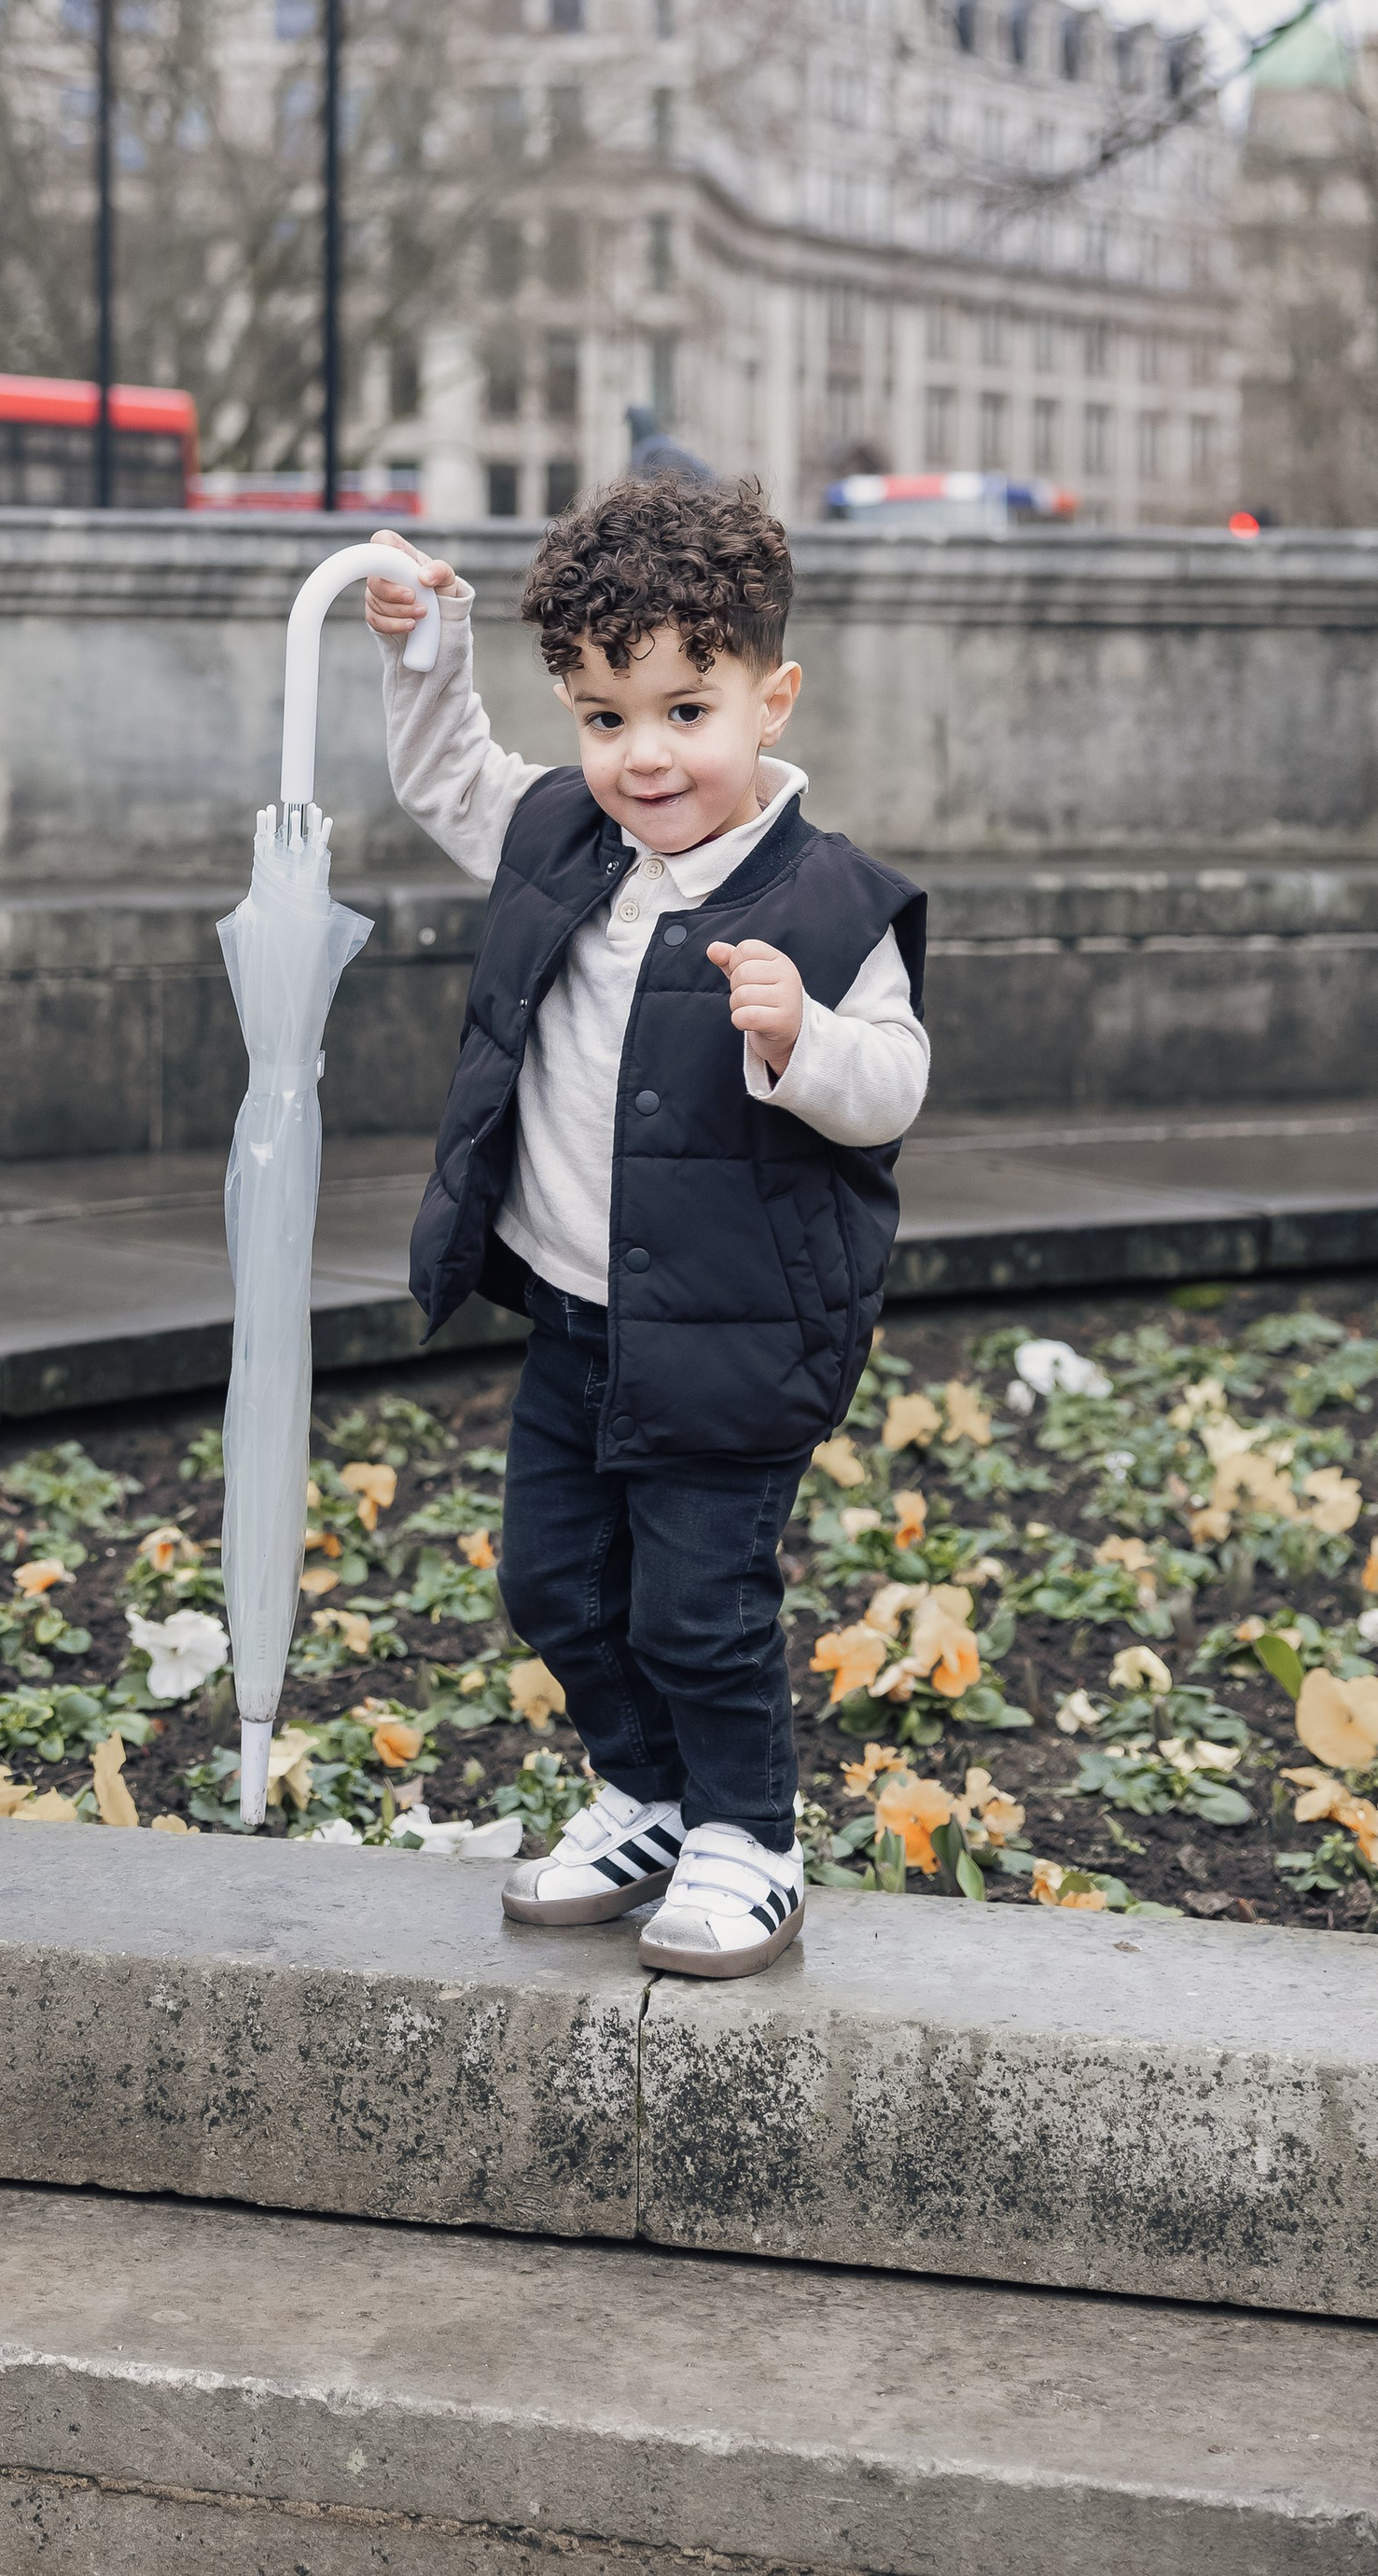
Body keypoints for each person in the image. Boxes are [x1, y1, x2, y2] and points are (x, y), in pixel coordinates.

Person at [365, 475, 926, 1974]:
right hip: (577, 1311)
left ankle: (750, 1832)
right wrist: (427, 656)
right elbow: (448, 783)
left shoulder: (827, 901)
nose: (645, 755)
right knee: (550, 1577)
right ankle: (646, 1791)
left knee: (700, 1604)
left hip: (741, 1330)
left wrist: (803, 1038)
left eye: (688, 710)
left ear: (772, 696)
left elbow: (894, 1087)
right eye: (606, 718)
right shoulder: (564, 837)